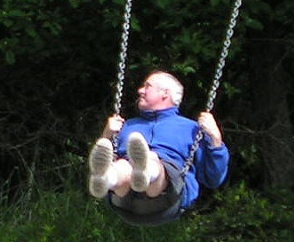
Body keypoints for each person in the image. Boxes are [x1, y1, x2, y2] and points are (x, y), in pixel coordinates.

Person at [87, 71, 229, 224]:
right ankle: (106, 179)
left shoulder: (191, 128)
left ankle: (145, 171)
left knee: (151, 160)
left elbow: (214, 179)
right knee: (123, 165)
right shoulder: (127, 125)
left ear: (165, 94)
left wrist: (215, 138)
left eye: (147, 86)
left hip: (167, 199)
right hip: (125, 200)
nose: (140, 90)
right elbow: (105, 156)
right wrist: (106, 135)